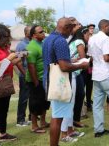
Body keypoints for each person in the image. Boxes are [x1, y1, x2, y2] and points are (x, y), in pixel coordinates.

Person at [42, 17, 89, 146]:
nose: (72, 32)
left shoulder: (48, 39)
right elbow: (64, 66)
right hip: (59, 83)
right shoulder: (61, 41)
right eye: (72, 28)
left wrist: (71, 61)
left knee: (56, 116)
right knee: (57, 118)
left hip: (50, 80)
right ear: (67, 28)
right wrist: (81, 65)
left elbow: (56, 60)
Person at [0, 24, 25, 146]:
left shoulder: (4, 47)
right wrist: (8, 58)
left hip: (6, 82)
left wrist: (20, 57)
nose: (7, 39)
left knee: (3, 110)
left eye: (8, 36)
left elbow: (9, 63)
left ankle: (2, 134)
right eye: (5, 36)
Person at [26, 25, 50, 133]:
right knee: (35, 102)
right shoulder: (32, 47)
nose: (43, 33)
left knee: (44, 101)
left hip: (44, 77)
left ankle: (43, 122)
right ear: (34, 35)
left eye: (43, 31)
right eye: (41, 32)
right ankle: (34, 126)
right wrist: (35, 82)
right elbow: (31, 66)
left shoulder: (42, 43)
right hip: (35, 80)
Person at [16, 26, 32, 127]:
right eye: (31, 31)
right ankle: (20, 119)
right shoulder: (21, 45)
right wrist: (25, 73)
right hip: (25, 75)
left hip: (33, 74)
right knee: (24, 97)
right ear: (26, 33)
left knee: (32, 97)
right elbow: (18, 61)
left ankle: (32, 116)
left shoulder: (33, 43)